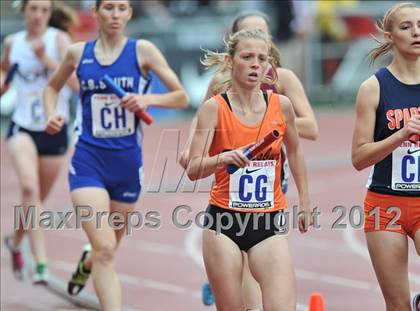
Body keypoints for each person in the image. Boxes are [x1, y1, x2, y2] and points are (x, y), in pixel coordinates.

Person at [43, 0, 188, 309]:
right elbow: (51, 88)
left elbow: (181, 96)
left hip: (127, 164)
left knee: (108, 246)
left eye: (122, 8)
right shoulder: (78, 53)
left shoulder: (142, 51)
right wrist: (50, 114)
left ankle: (87, 261)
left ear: (130, 13)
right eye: (108, 7)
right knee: (106, 248)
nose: (115, 15)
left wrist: (146, 98)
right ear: (95, 13)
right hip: (88, 162)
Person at [179, 11, 318, 308]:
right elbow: (192, 169)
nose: (256, 65)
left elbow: (294, 150)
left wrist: (305, 201)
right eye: (247, 58)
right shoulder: (214, 109)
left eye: (262, 58)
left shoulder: (282, 106)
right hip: (224, 223)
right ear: (230, 61)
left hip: (269, 220)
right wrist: (223, 158)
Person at [0, 0, 77, 284]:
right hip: (23, 127)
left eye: (44, 10)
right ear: (23, 11)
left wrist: (47, 61)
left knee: (36, 201)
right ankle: (41, 264)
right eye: (33, 9)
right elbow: (4, 74)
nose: (38, 15)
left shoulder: (59, 40)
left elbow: (79, 85)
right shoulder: (12, 42)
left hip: (55, 130)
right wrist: (4, 83)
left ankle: (15, 239)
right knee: (29, 188)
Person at [351, 3, 420, 311]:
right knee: (397, 304)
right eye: (406, 27)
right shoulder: (373, 88)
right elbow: (359, 157)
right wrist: (400, 136)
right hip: (385, 205)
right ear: (390, 36)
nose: (416, 32)